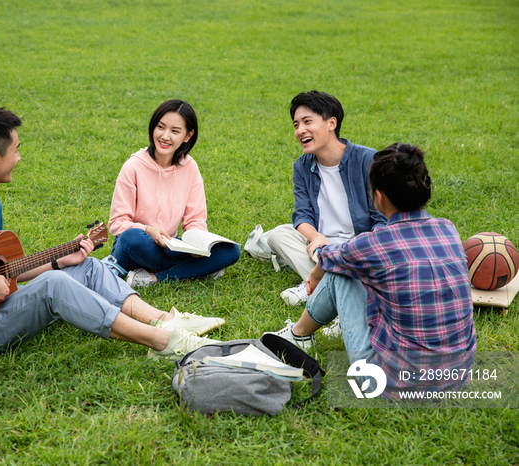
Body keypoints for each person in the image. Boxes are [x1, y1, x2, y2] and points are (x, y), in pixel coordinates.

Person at [0, 106, 225, 360]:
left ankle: (165, 319)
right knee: (54, 286)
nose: (19, 157)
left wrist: (60, 260)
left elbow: (6, 272)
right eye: (16, 150)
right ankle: (161, 341)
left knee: (85, 266)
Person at [269, 143, 476, 394]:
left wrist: (314, 273)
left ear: (378, 196)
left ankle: (298, 334)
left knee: (340, 273)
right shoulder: (448, 228)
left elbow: (328, 258)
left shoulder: (374, 243)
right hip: (458, 374)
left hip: (391, 381)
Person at [267, 90, 386, 314]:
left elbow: (381, 219)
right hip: (321, 246)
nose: (300, 130)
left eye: (307, 122)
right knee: (277, 235)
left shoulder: (367, 160)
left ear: (331, 123)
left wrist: (358, 248)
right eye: (295, 125)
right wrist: (316, 237)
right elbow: (301, 216)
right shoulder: (302, 166)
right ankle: (330, 283)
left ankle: (316, 283)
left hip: (359, 245)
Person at [106, 99, 241, 287]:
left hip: (170, 245)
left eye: (175, 131)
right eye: (160, 127)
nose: (165, 136)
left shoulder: (190, 167)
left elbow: (195, 220)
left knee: (231, 250)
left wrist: (199, 245)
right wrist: (148, 230)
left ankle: (153, 278)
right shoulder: (133, 167)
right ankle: (198, 268)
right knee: (133, 239)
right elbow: (117, 223)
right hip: (137, 245)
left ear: (188, 135)